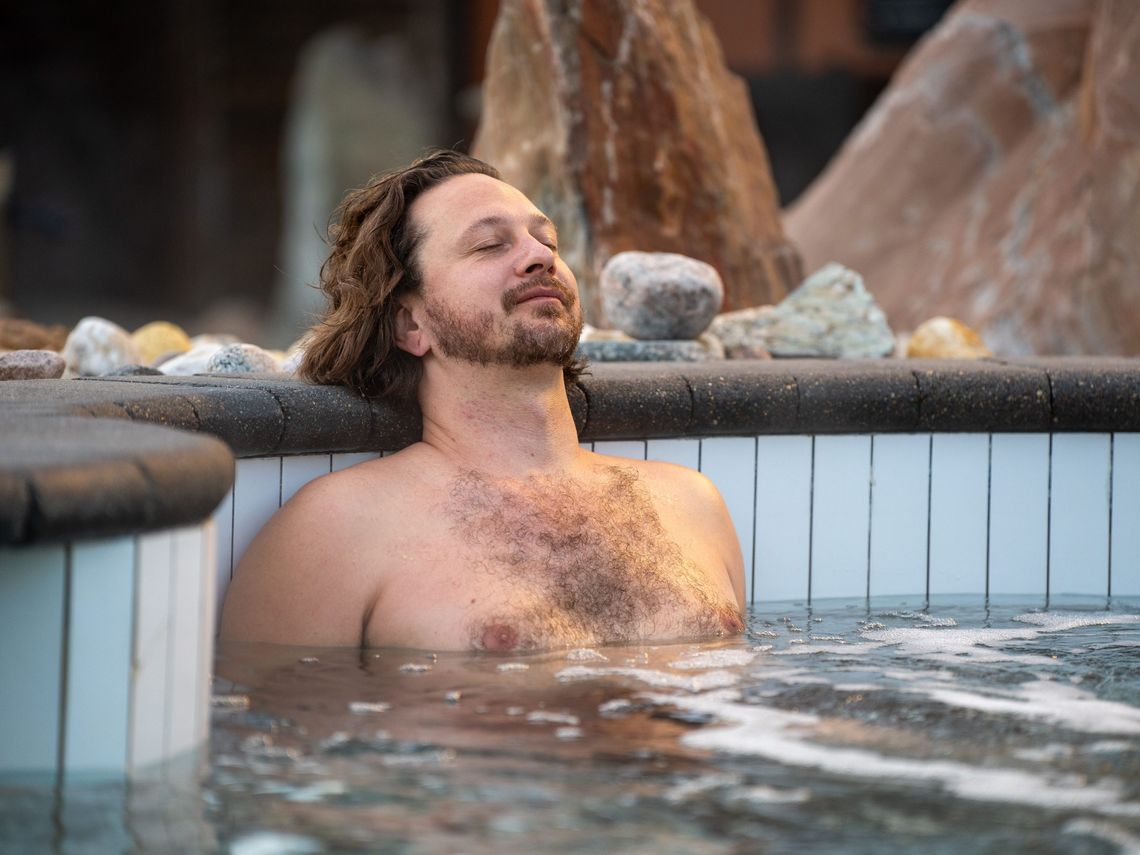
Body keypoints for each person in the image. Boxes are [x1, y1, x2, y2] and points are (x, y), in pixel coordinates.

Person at [220, 150, 744, 651]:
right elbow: (271, 725)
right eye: (490, 245)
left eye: (548, 242)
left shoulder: (692, 503)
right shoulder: (337, 529)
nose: (540, 258)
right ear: (411, 323)